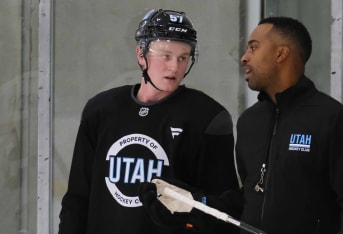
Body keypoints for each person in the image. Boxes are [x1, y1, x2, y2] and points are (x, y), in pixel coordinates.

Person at [58, 8, 240, 234]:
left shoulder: (207, 116)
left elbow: (224, 210)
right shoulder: (101, 110)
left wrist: (195, 203)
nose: (174, 67)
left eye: (183, 58)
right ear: (140, 54)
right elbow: (78, 197)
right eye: (165, 56)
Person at [236, 16, 343, 233]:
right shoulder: (249, 122)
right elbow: (248, 194)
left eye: (254, 48)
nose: (245, 58)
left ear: (280, 53)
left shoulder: (333, 120)